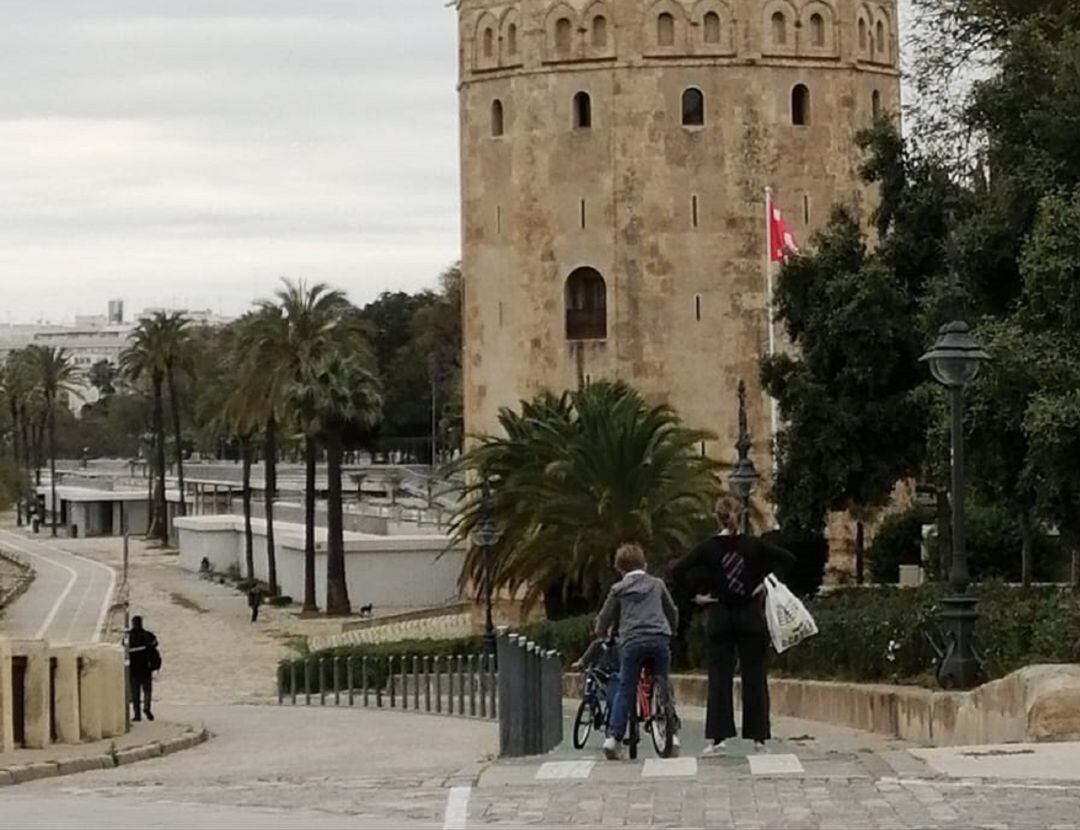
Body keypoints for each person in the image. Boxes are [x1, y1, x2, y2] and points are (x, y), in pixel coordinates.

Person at [672, 495, 795, 756]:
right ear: (741, 515)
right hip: (750, 615)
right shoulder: (753, 545)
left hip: (720, 616)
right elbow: (787, 559)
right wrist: (766, 582)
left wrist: (696, 596)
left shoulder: (708, 548)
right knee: (755, 678)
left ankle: (718, 740)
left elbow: (678, 570)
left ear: (716, 517)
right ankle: (759, 739)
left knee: (719, 679)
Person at [595, 542, 680, 760]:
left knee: (626, 687)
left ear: (620, 569)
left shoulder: (618, 590)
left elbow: (604, 618)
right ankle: (673, 733)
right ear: (644, 563)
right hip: (659, 638)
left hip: (631, 642)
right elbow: (672, 610)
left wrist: (602, 633)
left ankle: (613, 739)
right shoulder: (658, 584)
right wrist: (673, 629)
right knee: (663, 681)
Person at [127, 615, 159, 722]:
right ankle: (146, 707)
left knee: (135, 693)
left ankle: (137, 715)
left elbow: (123, 648)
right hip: (146, 668)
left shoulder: (129, 636)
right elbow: (155, 643)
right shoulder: (148, 635)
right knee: (147, 691)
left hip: (134, 669)